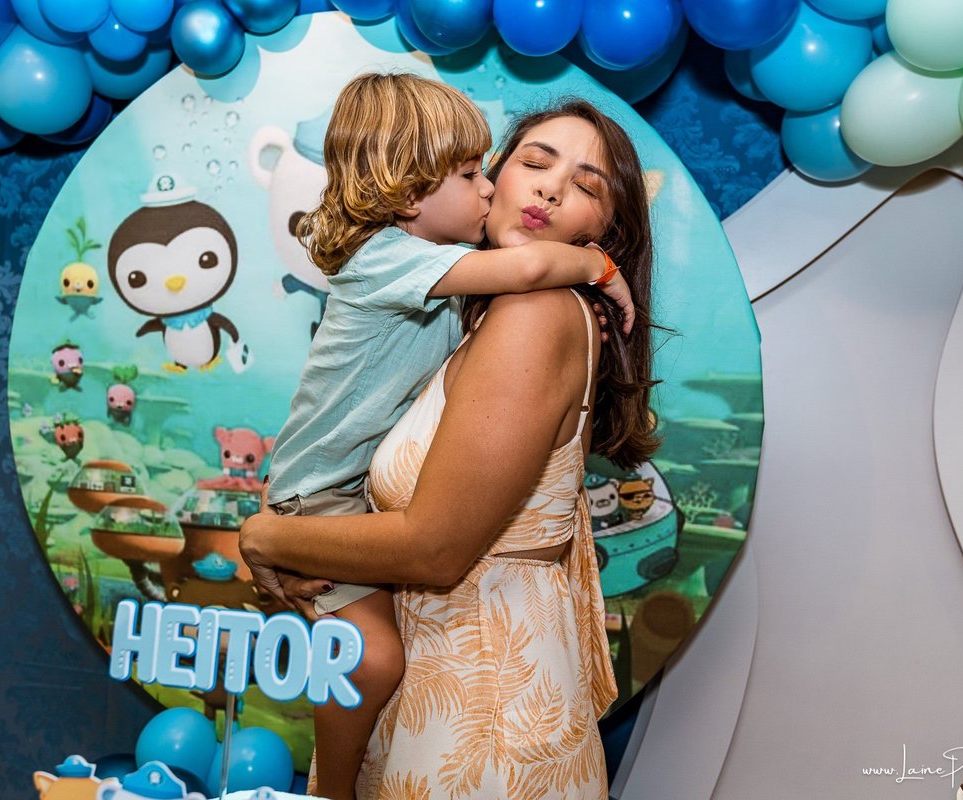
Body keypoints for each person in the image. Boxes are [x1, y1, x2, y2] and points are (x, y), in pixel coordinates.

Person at [242, 98, 660, 800]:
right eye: (534, 162)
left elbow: (435, 547)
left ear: (604, 230)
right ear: (489, 180)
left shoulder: (530, 312)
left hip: (482, 724)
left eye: (587, 186)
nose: (551, 188)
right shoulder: (456, 310)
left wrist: (267, 535)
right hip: (447, 706)